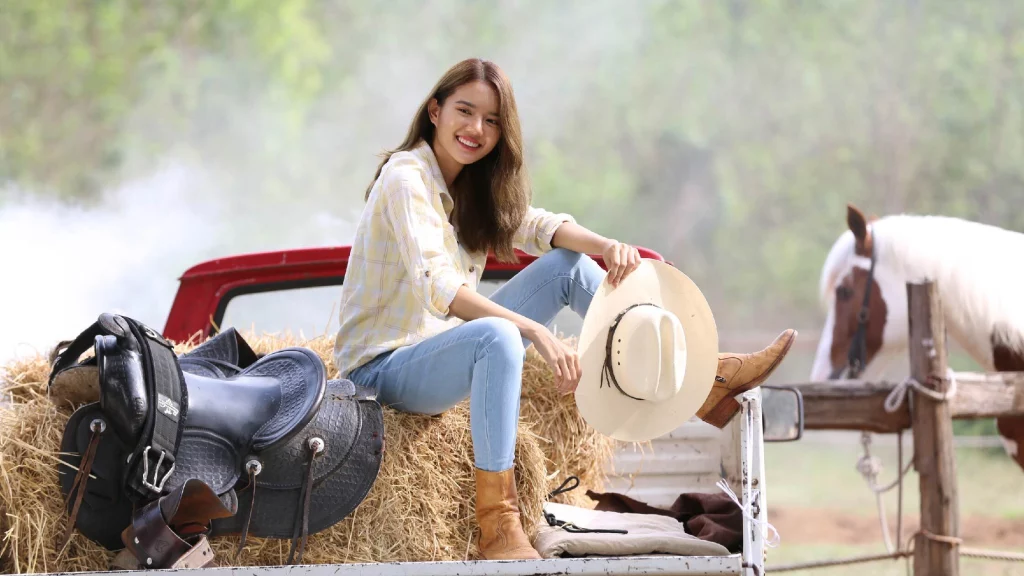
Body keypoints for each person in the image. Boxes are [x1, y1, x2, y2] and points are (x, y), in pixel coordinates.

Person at [334, 58, 796, 561]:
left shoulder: (467, 187)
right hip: (378, 375)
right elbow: (439, 289)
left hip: (430, 358)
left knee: (566, 266)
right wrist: (536, 331)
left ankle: (703, 379)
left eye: (491, 121)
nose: (476, 129)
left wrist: (609, 244)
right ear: (434, 110)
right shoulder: (407, 178)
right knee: (498, 336)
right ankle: (498, 527)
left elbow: (536, 225)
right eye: (465, 112)